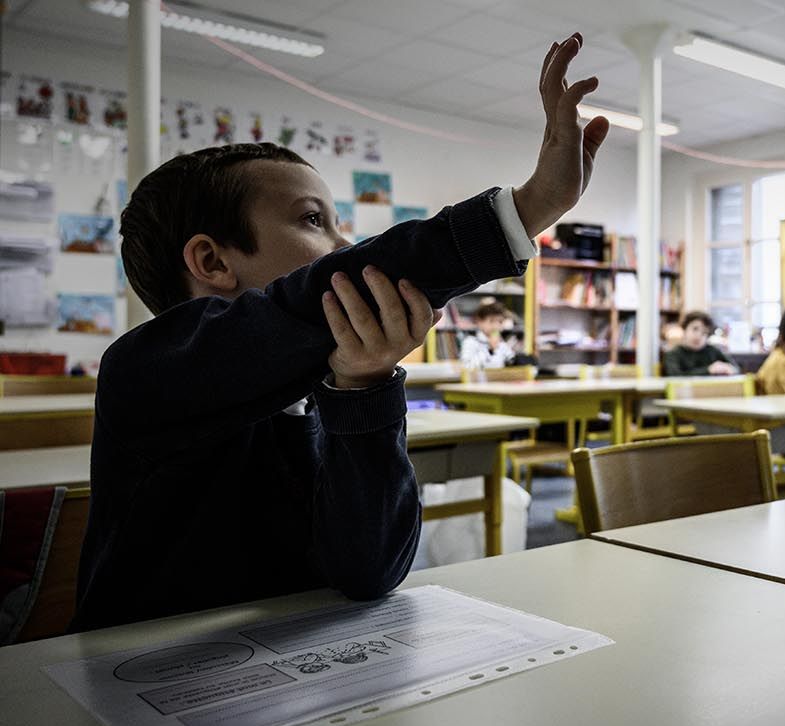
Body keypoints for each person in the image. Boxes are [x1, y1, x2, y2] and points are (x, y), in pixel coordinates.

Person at [72, 33, 610, 631]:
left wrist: (364, 387)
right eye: (312, 221)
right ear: (213, 262)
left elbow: (367, 573)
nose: (343, 248)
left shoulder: (318, 387)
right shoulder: (143, 370)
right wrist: (527, 208)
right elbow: (314, 296)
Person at [662, 311, 738, 376]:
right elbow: (674, 376)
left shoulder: (713, 351)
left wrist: (729, 369)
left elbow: (736, 369)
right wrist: (708, 370)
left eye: (704, 332)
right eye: (695, 329)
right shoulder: (673, 354)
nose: (698, 336)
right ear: (685, 329)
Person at [460, 300, 518, 370]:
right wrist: (490, 350)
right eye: (491, 321)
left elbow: (512, 361)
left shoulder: (501, 344)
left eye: (500, 322)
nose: (496, 326)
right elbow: (467, 368)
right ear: (479, 321)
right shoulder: (470, 341)